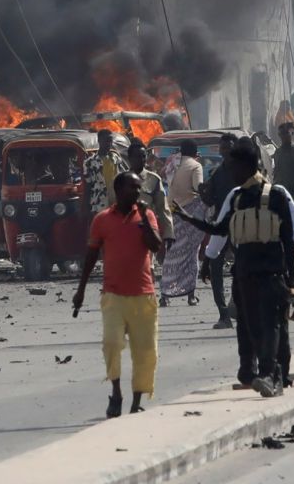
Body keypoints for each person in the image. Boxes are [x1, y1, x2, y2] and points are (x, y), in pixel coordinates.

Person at [181, 144, 294, 397]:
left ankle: (271, 375)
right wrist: (188, 219)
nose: (229, 171)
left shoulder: (276, 196)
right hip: (243, 275)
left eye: (232, 166)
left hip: (270, 274)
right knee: (247, 327)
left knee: (269, 326)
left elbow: (288, 242)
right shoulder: (237, 198)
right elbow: (221, 229)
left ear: (248, 166)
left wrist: (292, 281)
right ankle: (252, 372)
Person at [73, 172, 163, 418]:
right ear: (119, 190)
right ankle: (116, 392)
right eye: (133, 187)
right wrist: (80, 290)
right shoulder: (102, 220)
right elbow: (91, 256)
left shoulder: (147, 216)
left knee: (145, 352)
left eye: (139, 187)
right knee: (111, 344)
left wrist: (144, 216)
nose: (138, 192)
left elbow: (156, 246)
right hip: (113, 295)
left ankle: (136, 402)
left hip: (144, 295)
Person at [199, 133, 239, 329]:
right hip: (222, 226)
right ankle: (224, 314)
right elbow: (210, 201)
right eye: (223, 148)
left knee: (244, 269)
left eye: (228, 147)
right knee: (215, 268)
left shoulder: (245, 171)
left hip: (243, 225)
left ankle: (239, 307)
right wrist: (203, 193)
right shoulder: (217, 173)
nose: (226, 151)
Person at [161, 140, 204, 305]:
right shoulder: (195, 166)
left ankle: (165, 295)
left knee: (171, 254)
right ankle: (190, 295)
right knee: (192, 254)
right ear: (195, 153)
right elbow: (198, 187)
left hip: (171, 212)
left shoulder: (173, 163)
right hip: (188, 213)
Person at [127, 141, 174, 250]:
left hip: (147, 230)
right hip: (126, 229)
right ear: (129, 158)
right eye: (137, 157)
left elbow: (163, 208)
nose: (142, 160)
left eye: (144, 156)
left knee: (147, 264)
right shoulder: (121, 179)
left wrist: (168, 233)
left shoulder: (153, 179)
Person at [85, 128, 128, 214]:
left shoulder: (115, 158)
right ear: (99, 141)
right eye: (106, 141)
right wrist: (87, 207)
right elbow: (88, 185)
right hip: (100, 203)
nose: (109, 144)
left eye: (110, 141)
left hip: (116, 202)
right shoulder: (89, 162)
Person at [272, 122, 294, 203]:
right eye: (282, 134)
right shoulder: (278, 152)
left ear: (291, 134)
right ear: (279, 135)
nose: (285, 136)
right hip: (282, 191)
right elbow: (277, 172)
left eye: (287, 133)